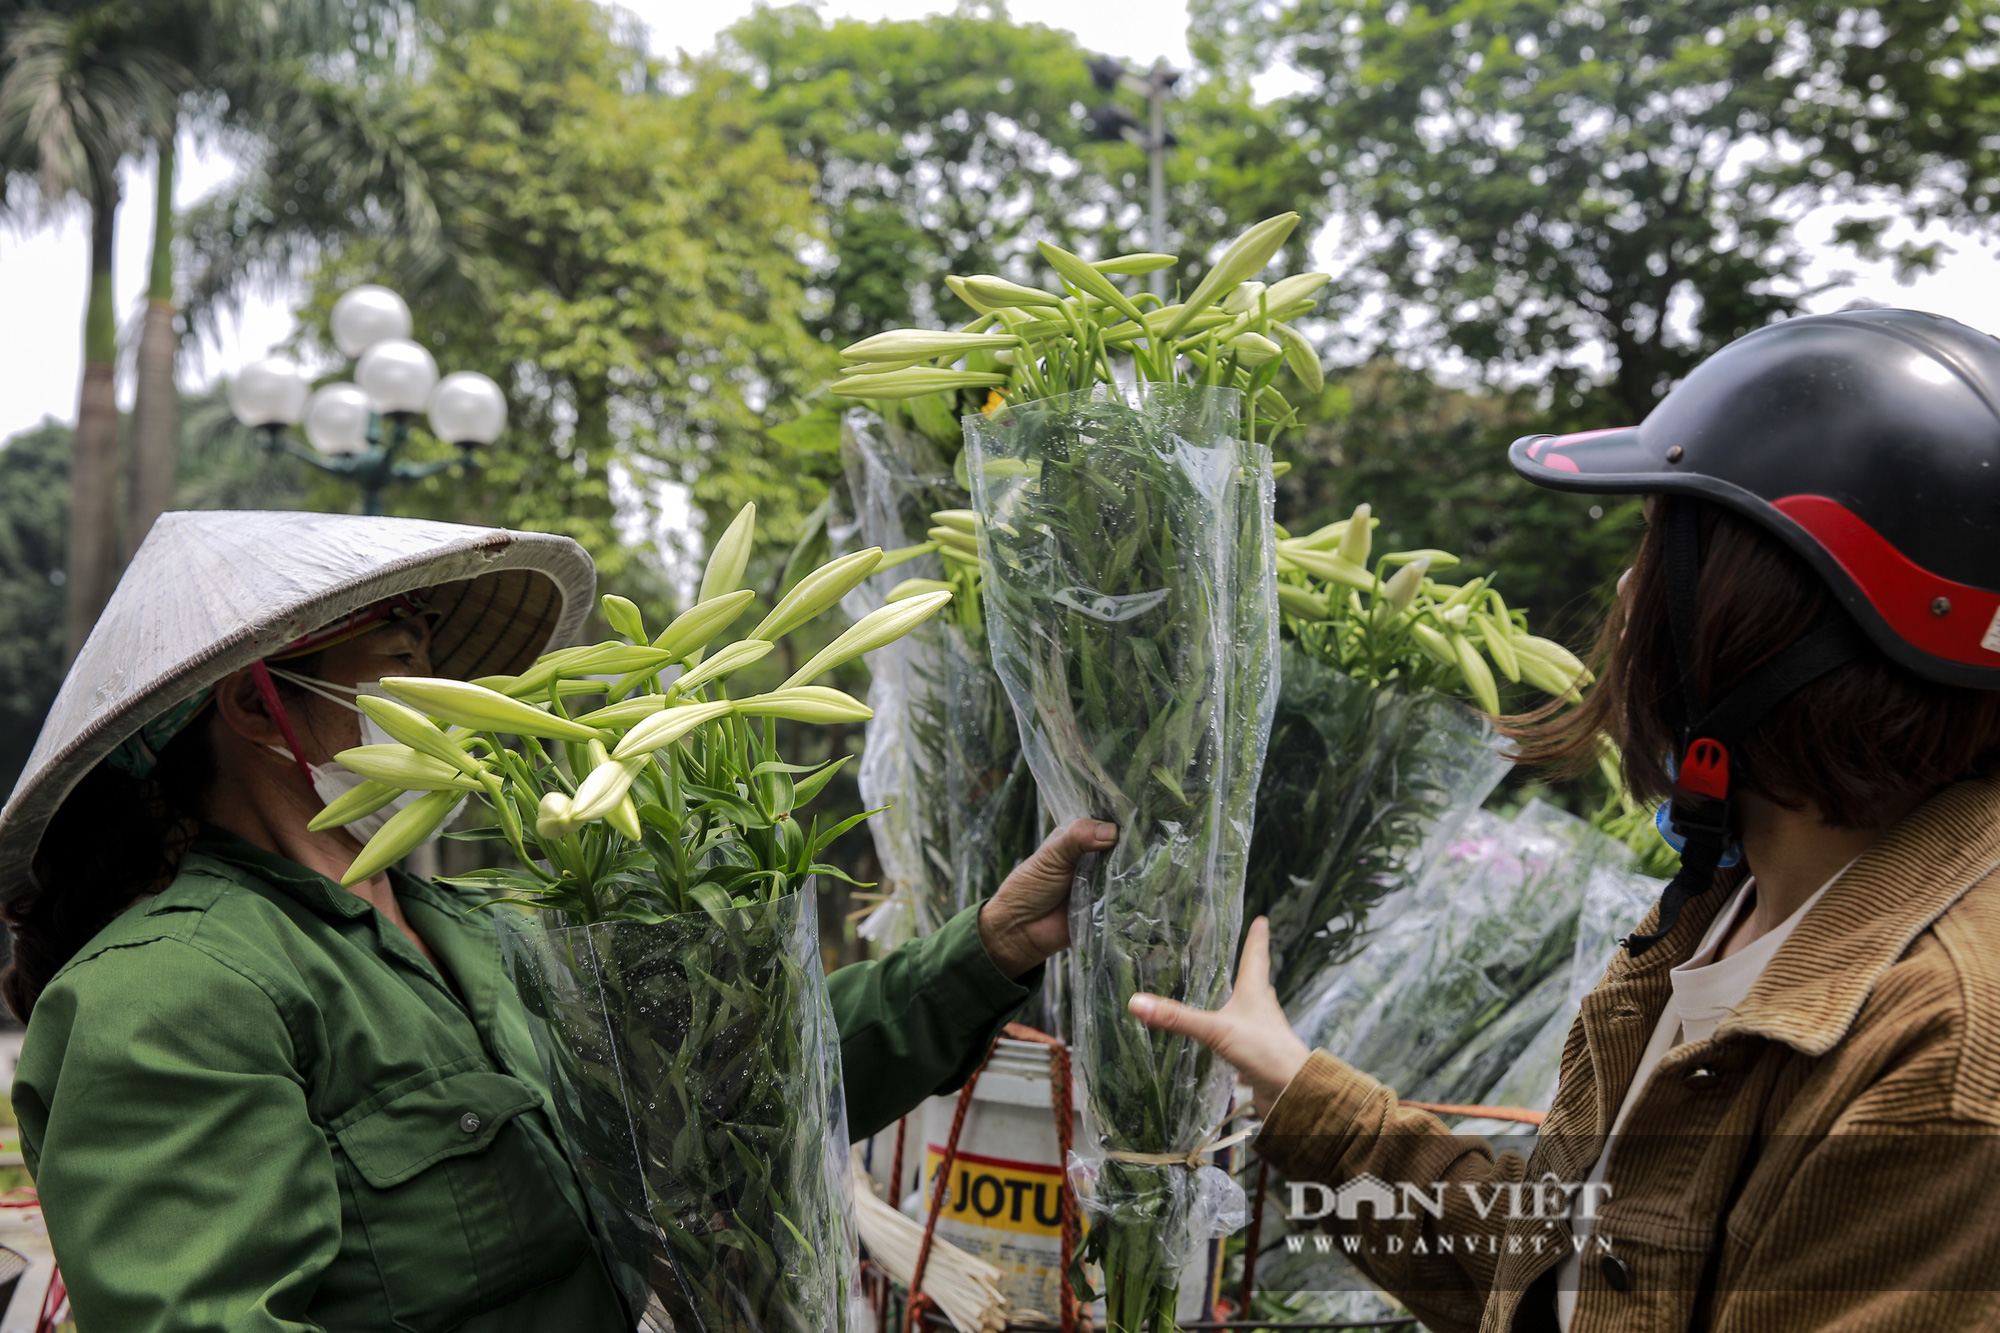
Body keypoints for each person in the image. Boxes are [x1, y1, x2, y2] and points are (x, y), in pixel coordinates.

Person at [0, 509, 1111, 1332]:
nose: (438, 676)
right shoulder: (168, 992)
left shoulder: (489, 929)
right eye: (399, 641)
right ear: (258, 703)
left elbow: (735, 1092)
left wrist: (991, 944)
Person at [1131, 309, 2000, 1331]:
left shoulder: (1943, 1051)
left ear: (1766, 623)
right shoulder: (1734, 912)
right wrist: (1301, 1093)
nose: (1627, 591)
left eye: (1654, 551)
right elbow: (1569, 1267)